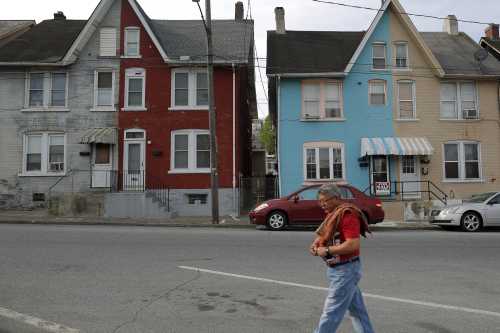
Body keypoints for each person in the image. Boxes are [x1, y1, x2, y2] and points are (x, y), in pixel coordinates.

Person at [309, 183, 375, 333]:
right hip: (340, 269)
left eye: (325, 201)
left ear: (337, 198)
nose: (322, 204)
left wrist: (326, 250)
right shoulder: (333, 213)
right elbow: (322, 234)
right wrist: (315, 245)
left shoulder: (347, 214)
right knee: (358, 312)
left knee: (331, 313)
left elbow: (353, 245)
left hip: (345, 270)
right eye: (320, 201)